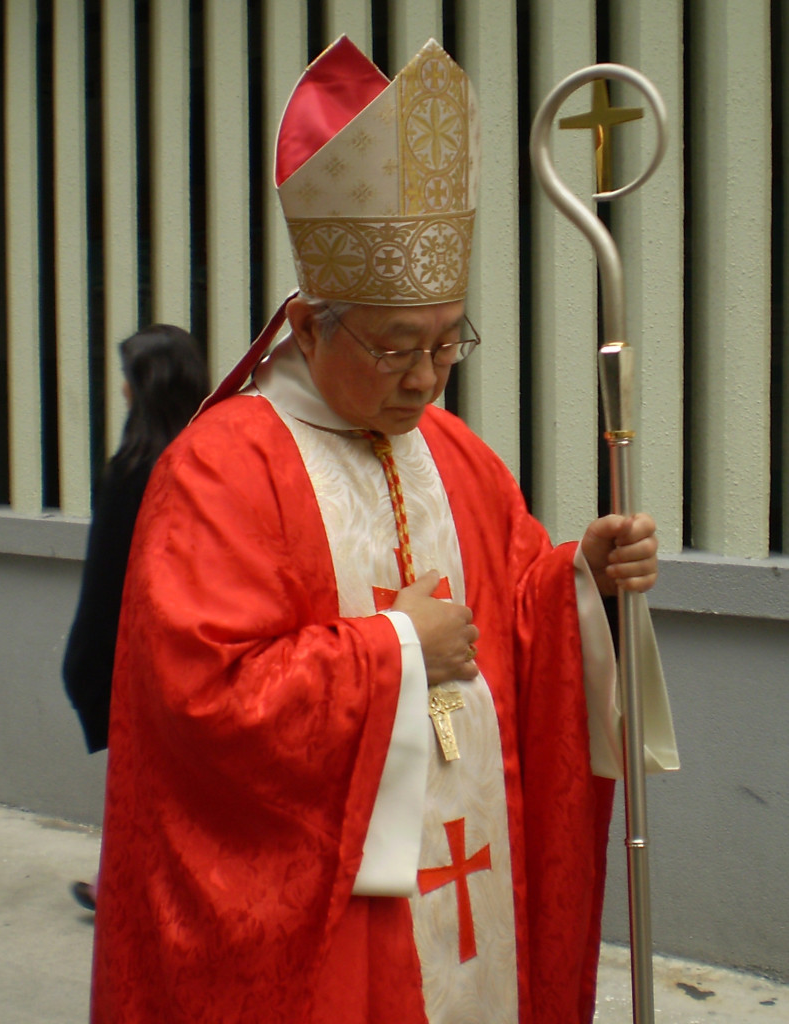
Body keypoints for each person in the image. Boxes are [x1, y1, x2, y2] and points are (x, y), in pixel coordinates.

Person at [90, 38, 677, 1023]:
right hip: (337, 929)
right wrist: (397, 651)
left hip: (470, 874)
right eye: (396, 345)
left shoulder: (454, 453)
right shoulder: (220, 469)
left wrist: (588, 579)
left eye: (448, 342)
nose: (423, 377)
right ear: (308, 326)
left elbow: (519, 601)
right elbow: (198, 700)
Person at [62, 324, 209, 910]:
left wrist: (88, 665)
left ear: (145, 386)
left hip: (143, 653)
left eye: (127, 378)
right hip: (202, 647)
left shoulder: (134, 470)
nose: (120, 390)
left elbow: (107, 582)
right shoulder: (211, 458)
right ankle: (129, 881)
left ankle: (130, 886)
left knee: (145, 779)